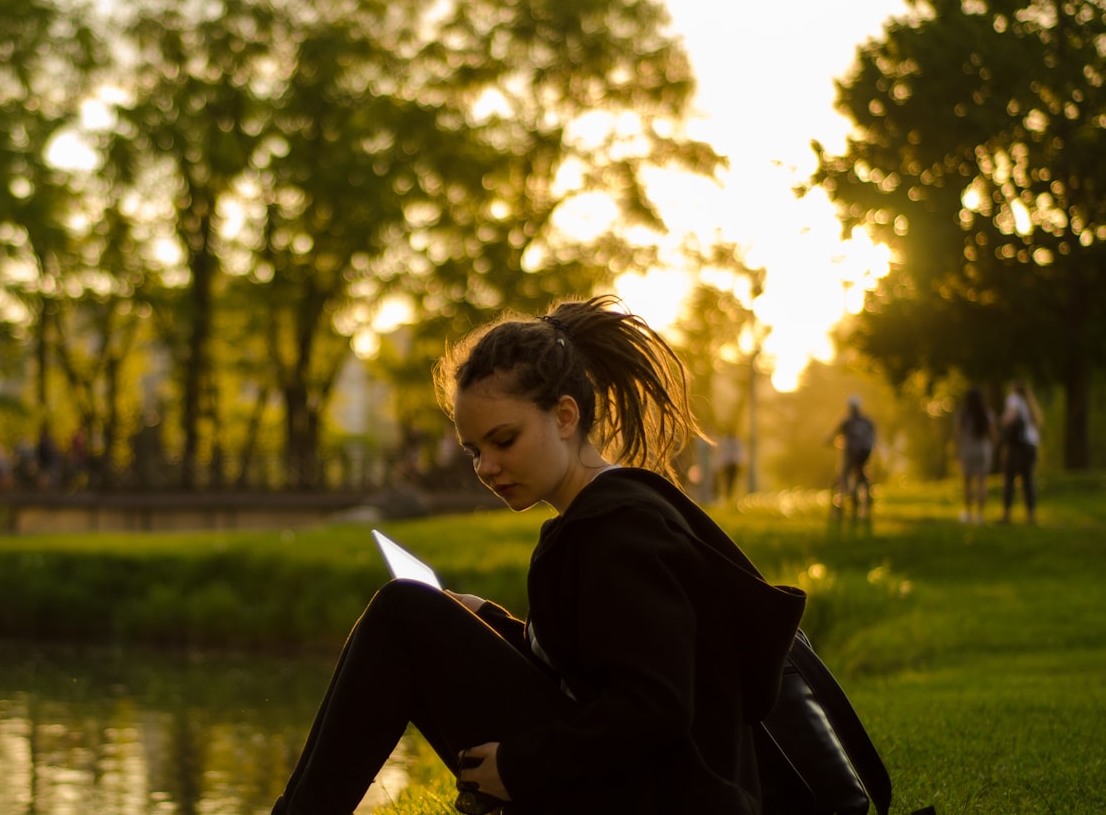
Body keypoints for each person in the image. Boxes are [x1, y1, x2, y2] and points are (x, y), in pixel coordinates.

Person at [270, 295, 803, 814]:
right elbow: (590, 678)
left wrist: (522, 765)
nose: (486, 467)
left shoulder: (619, 528)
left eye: (505, 440)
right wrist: (493, 624)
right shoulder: (598, 518)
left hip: (664, 797)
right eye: (475, 450)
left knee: (401, 614)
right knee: (413, 616)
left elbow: (656, 707)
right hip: (633, 786)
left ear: (565, 416)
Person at [999, 379, 1041, 525]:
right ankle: (1030, 515)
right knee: (1028, 480)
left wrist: (1001, 422)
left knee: (1009, 479)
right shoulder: (1030, 403)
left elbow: (1009, 417)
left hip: (1017, 446)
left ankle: (1006, 514)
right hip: (1031, 445)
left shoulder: (1014, 399)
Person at [953, 388, 995, 524]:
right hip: (982, 450)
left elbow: (958, 435)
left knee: (967, 483)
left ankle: (968, 513)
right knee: (982, 482)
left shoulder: (963, 415)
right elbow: (993, 435)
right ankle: (980, 515)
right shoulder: (986, 414)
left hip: (967, 450)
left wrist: (956, 451)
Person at [832, 396, 876, 516]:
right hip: (866, 451)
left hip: (851, 451)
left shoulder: (847, 420)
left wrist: (829, 440)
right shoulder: (867, 420)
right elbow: (873, 435)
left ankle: (842, 500)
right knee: (862, 471)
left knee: (844, 472)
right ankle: (868, 493)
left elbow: (834, 434)